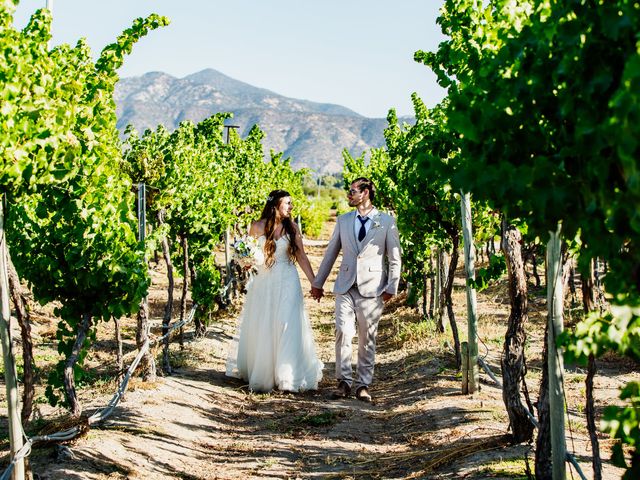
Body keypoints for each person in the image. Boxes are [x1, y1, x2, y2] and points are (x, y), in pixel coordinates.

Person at [311, 177, 401, 402]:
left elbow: (395, 257)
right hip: (346, 285)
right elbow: (331, 253)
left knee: (367, 337)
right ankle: (344, 382)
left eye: (352, 191)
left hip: (373, 289)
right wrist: (318, 283)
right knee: (343, 331)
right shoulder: (343, 220)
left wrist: (392, 286)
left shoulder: (387, 221)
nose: (348, 195)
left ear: (366, 193)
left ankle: (363, 385)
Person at [226, 190, 323, 392]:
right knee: (265, 322)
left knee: (287, 324)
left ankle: (288, 376)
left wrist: (315, 283)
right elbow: (249, 253)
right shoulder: (256, 226)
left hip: (288, 279)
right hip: (264, 281)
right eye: (287, 203)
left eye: (291, 203)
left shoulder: (292, 228)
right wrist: (246, 262)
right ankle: (265, 372)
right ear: (275, 206)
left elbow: (302, 257)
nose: (291, 207)